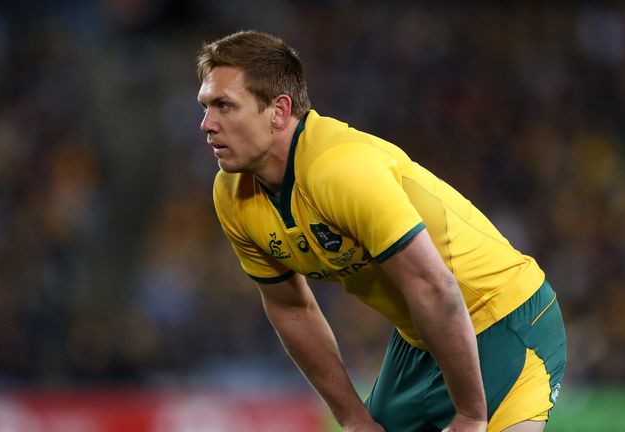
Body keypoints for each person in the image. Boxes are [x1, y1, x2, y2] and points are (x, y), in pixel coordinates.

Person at [197, 30, 566, 432]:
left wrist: (471, 415)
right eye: (205, 107)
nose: (206, 124)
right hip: (423, 335)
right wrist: (354, 420)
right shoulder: (232, 194)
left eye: (224, 106)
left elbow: (435, 286)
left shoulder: (340, 169)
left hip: (504, 317)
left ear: (280, 111)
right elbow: (291, 307)